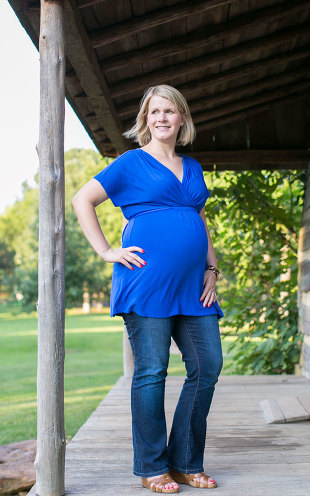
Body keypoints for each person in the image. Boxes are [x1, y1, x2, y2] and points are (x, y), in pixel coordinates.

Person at [73, 84, 223, 493]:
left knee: (207, 366)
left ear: (181, 118)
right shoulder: (130, 163)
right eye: (154, 111)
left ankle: (186, 461)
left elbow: (199, 220)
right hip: (147, 283)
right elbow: (83, 200)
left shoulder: (192, 167)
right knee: (152, 371)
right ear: (145, 119)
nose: (162, 118)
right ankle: (152, 467)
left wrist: (212, 268)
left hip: (194, 287)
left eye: (169, 111)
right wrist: (106, 251)